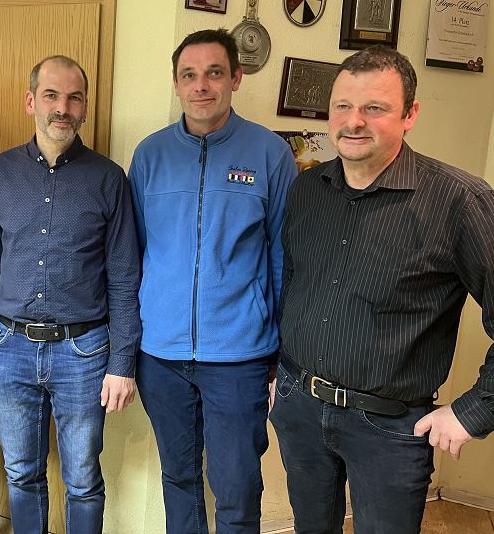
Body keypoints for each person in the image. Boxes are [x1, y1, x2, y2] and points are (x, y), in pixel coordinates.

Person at [271, 45, 494, 534]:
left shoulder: (460, 201)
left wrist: (474, 410)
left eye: (374, 107)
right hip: (299, 407)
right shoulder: (307, 189)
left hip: (390, 428)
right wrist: (278, 375)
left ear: (410, 114)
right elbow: (294, 285)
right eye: (343, 106)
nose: (354, 121)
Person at [0, 55, 141, 534]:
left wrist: (122, 362)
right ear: (30, 102)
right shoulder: (0, 172)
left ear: (85, 107)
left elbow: (125, 277)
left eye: (74, 98)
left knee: (82, 479)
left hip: (84, 351)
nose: (63, 108)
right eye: (51, 96)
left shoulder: (109, 178)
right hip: (9, 348)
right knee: (21, 473)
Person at [128, 28, 297, 533]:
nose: (201, 85)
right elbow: (133, 253)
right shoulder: (150, 155)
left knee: (237, 487)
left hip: (239, 356)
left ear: (236, 78)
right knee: (178, 477)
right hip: (161, 355)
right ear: (177, 83)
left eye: (214, 73)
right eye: (189, 75)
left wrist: (281, 349)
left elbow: (284, 256)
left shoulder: (270, 154)